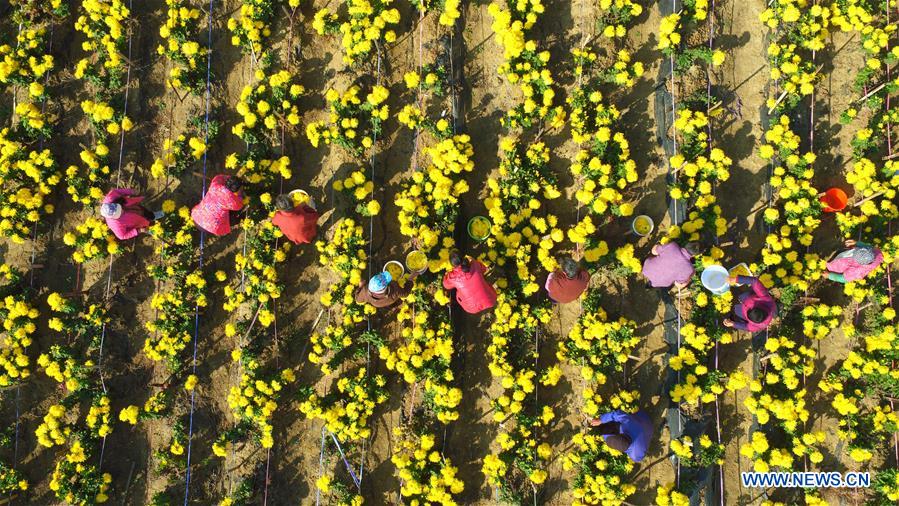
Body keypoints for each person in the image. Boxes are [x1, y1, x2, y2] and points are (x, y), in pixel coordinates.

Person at [587, 409, 654, 462]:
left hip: (647, 426)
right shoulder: (628, 423)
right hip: (645, 420)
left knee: (607, 429)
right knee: (611, 426)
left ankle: (602, 429)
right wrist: (601, 420)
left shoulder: (636, 455)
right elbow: (618, 414)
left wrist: (602, 423)